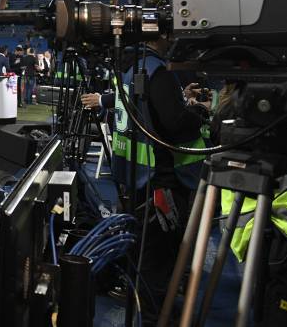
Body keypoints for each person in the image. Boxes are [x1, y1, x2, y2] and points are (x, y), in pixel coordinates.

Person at [81, 23, 207, 324]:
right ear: (163, 35)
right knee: (158, 258)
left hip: (136, 175)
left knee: (146, 250)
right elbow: (174, 125)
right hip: (160, 178)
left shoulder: (132, 66)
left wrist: (179, 97)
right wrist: (200, 111)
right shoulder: (156, 72)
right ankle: (155, 316)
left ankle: (151, 308)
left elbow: (146, 108)